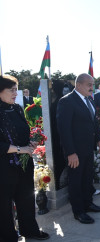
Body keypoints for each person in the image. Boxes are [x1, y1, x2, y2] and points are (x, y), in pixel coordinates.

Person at [0, 76, 50, 241]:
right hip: (5, 167)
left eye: (16, 89)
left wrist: (31, 142)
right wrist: (21, 149)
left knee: (26, 199)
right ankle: (8, 236)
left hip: (24, 163)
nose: (16, 93)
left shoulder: (17, 109)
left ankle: (29, 230)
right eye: (11, 90)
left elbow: (22, 132)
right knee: (5, 205)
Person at [56, 73, 100, 225]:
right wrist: (71, 153)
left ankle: (88, 203)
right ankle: (78, 211)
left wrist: (99, 140)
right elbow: (64, 130)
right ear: (78, 85)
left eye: (92, 84)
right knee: (76, 181)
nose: (92, 88)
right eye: (89, 85)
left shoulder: (89, 99)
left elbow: (93, 122)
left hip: (88, 148)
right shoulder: (67, 101)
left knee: (87, 177)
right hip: (75, 151)